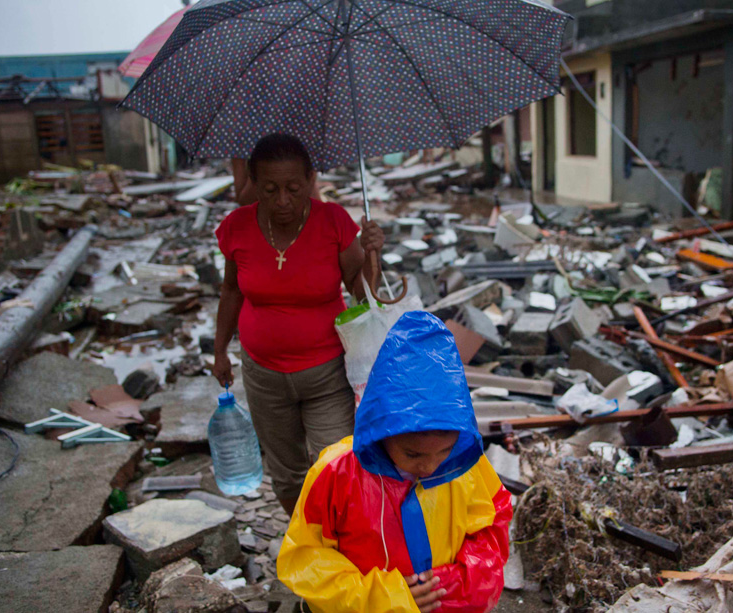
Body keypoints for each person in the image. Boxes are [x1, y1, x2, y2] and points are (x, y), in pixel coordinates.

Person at [277, 311, 513, 613]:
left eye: (443, 451)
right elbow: (305, 558)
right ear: (380, 432)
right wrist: (385, 599)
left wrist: (452, 585)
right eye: (413, 454)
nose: (429, 467)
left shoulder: (466, 464)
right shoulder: (336, 473)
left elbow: (492, 528)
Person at [213, 133, 385, 516]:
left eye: (294, 187)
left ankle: (341, 542)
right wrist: (219, 349)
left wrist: (374, 256)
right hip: (263, 375)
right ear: (253, 184)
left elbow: (361, 294)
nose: (283, 200)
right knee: (287, 475)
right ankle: (305, 542)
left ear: (311, 179)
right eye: (270, 189)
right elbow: (230, 291)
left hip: (327, 373)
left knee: (336, 465)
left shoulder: (333, 221)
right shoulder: (236, 227)